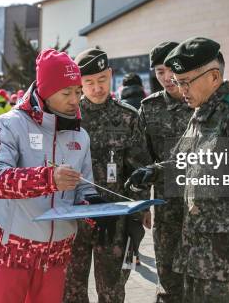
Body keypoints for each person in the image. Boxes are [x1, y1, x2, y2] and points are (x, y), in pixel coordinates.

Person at [126, 37, 229, 303]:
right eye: (178, 82)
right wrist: (154, 172)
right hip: (198, 256)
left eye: (186, 81)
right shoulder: (199, 117)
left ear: (213, 77)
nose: (180, 88)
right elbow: (185, 162)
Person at [0, 48, 109, 303]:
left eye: (78, 92)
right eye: (67, 93)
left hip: (55, 254)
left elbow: (84, 186)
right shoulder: (9, 125)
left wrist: (94, 208)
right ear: (46, 92)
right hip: (10, 248)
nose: (76, 100)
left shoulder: (80, 136)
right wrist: (48, 179)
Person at [64, 48, 152, 303]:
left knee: (112, 290)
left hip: (115, 220)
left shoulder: (127, 117)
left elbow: (139, 168)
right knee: (70, 289)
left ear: (111, 75)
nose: (97, 88)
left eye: (102, 80)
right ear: (79, 83)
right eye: (89, 82)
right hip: (74, 216)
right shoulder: (69, 117)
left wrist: (139, 210)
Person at [138, 41, 193, 303]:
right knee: (168, 275)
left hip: (202, 205)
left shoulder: (200, 101)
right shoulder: (149, 108)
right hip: (165, 206)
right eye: (159, 72)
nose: (166, 77)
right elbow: (142, 159)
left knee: (199, 277)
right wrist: (143, 205)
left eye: (170, 70)